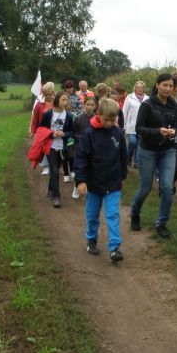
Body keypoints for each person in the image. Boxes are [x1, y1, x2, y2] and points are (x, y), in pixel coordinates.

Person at [75, 98, 128, 262]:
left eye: (113, 120)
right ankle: (91, 240)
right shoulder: (89, 134)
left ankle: (114, 248)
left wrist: (123, 176)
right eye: (107, 120)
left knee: (112, 215)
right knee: (92, 215)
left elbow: (123, 156)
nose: (110, 123)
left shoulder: (118, 133)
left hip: (113, 182)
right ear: (98, 115)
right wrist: (81, 180)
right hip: (93, 183)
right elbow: (81, 158)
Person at [130, 73, 177, 238]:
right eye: (165, 85)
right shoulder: (147, 105)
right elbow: (139, 129)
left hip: (168, 151)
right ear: (157, 85)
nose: (168, 88)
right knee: (145, 188)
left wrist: (173, 132)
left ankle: (161, 223)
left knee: (167, 188)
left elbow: (175, 127)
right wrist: (158, 131)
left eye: (171, 86)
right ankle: (135, 214)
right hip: (148, 151)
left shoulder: (173, 105)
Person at [39, 91, 74, 208]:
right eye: (63, 100)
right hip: (51, 146)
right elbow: (41, 128)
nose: (65, 102)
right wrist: (51, 134)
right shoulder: (48, 114)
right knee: (54, 171)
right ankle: (57, 196)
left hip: (62, 147)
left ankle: (50, 189)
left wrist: (64, 134)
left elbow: (72, 132)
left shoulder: (69, 116)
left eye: (67, 100)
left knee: (55, 170)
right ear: (57, 100)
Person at [71, 96, 98, 199]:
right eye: (88, 104)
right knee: (79, 168)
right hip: (80, 148)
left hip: (93, 149)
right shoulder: (78, 118)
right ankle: (76, 187)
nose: (89, 107)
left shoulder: (97, 119)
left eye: (92, 105)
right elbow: (73, 133)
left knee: (90, 168)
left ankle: (89, 189)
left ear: (95, 106)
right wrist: (81, 137)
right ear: (84, 105)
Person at [30, 82, 55, 175]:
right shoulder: (39, 104)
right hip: (43, 130)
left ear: (53, 93)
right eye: (46, 94)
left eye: (50, 94)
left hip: (54, 129)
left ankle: (54, 165)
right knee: (44, 148)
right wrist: (33, 131)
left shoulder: (57, 103)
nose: (48, 96)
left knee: (53, 148)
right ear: (43, 94)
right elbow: (35, 119)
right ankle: (46, 167)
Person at [123, 81, 148, 167]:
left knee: (139, 145)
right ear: (135, 88)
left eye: (142, 87)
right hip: (131, 126)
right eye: (138, 87)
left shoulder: (148, 98)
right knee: (132, 142)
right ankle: (128, 158)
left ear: (144, 89)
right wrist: (124, 125)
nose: (140, 89)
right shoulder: (129, 97)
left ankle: (137, 162)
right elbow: (124, 111)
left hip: (143, 126)